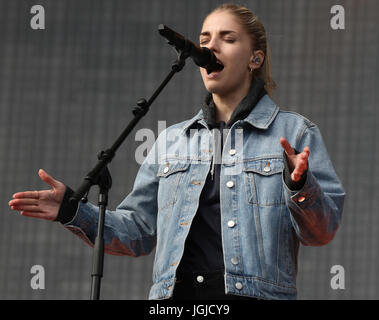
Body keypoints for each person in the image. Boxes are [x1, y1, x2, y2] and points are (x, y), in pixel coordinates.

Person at [8, 3, 345, 300]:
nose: (211, 46)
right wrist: (72, 211)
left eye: (228, 38)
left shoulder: (294, 132)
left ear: (255, 58)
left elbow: (321, 231)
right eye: (204, 39)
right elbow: (137, 231)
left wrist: (300, 187)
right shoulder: (171, 141)